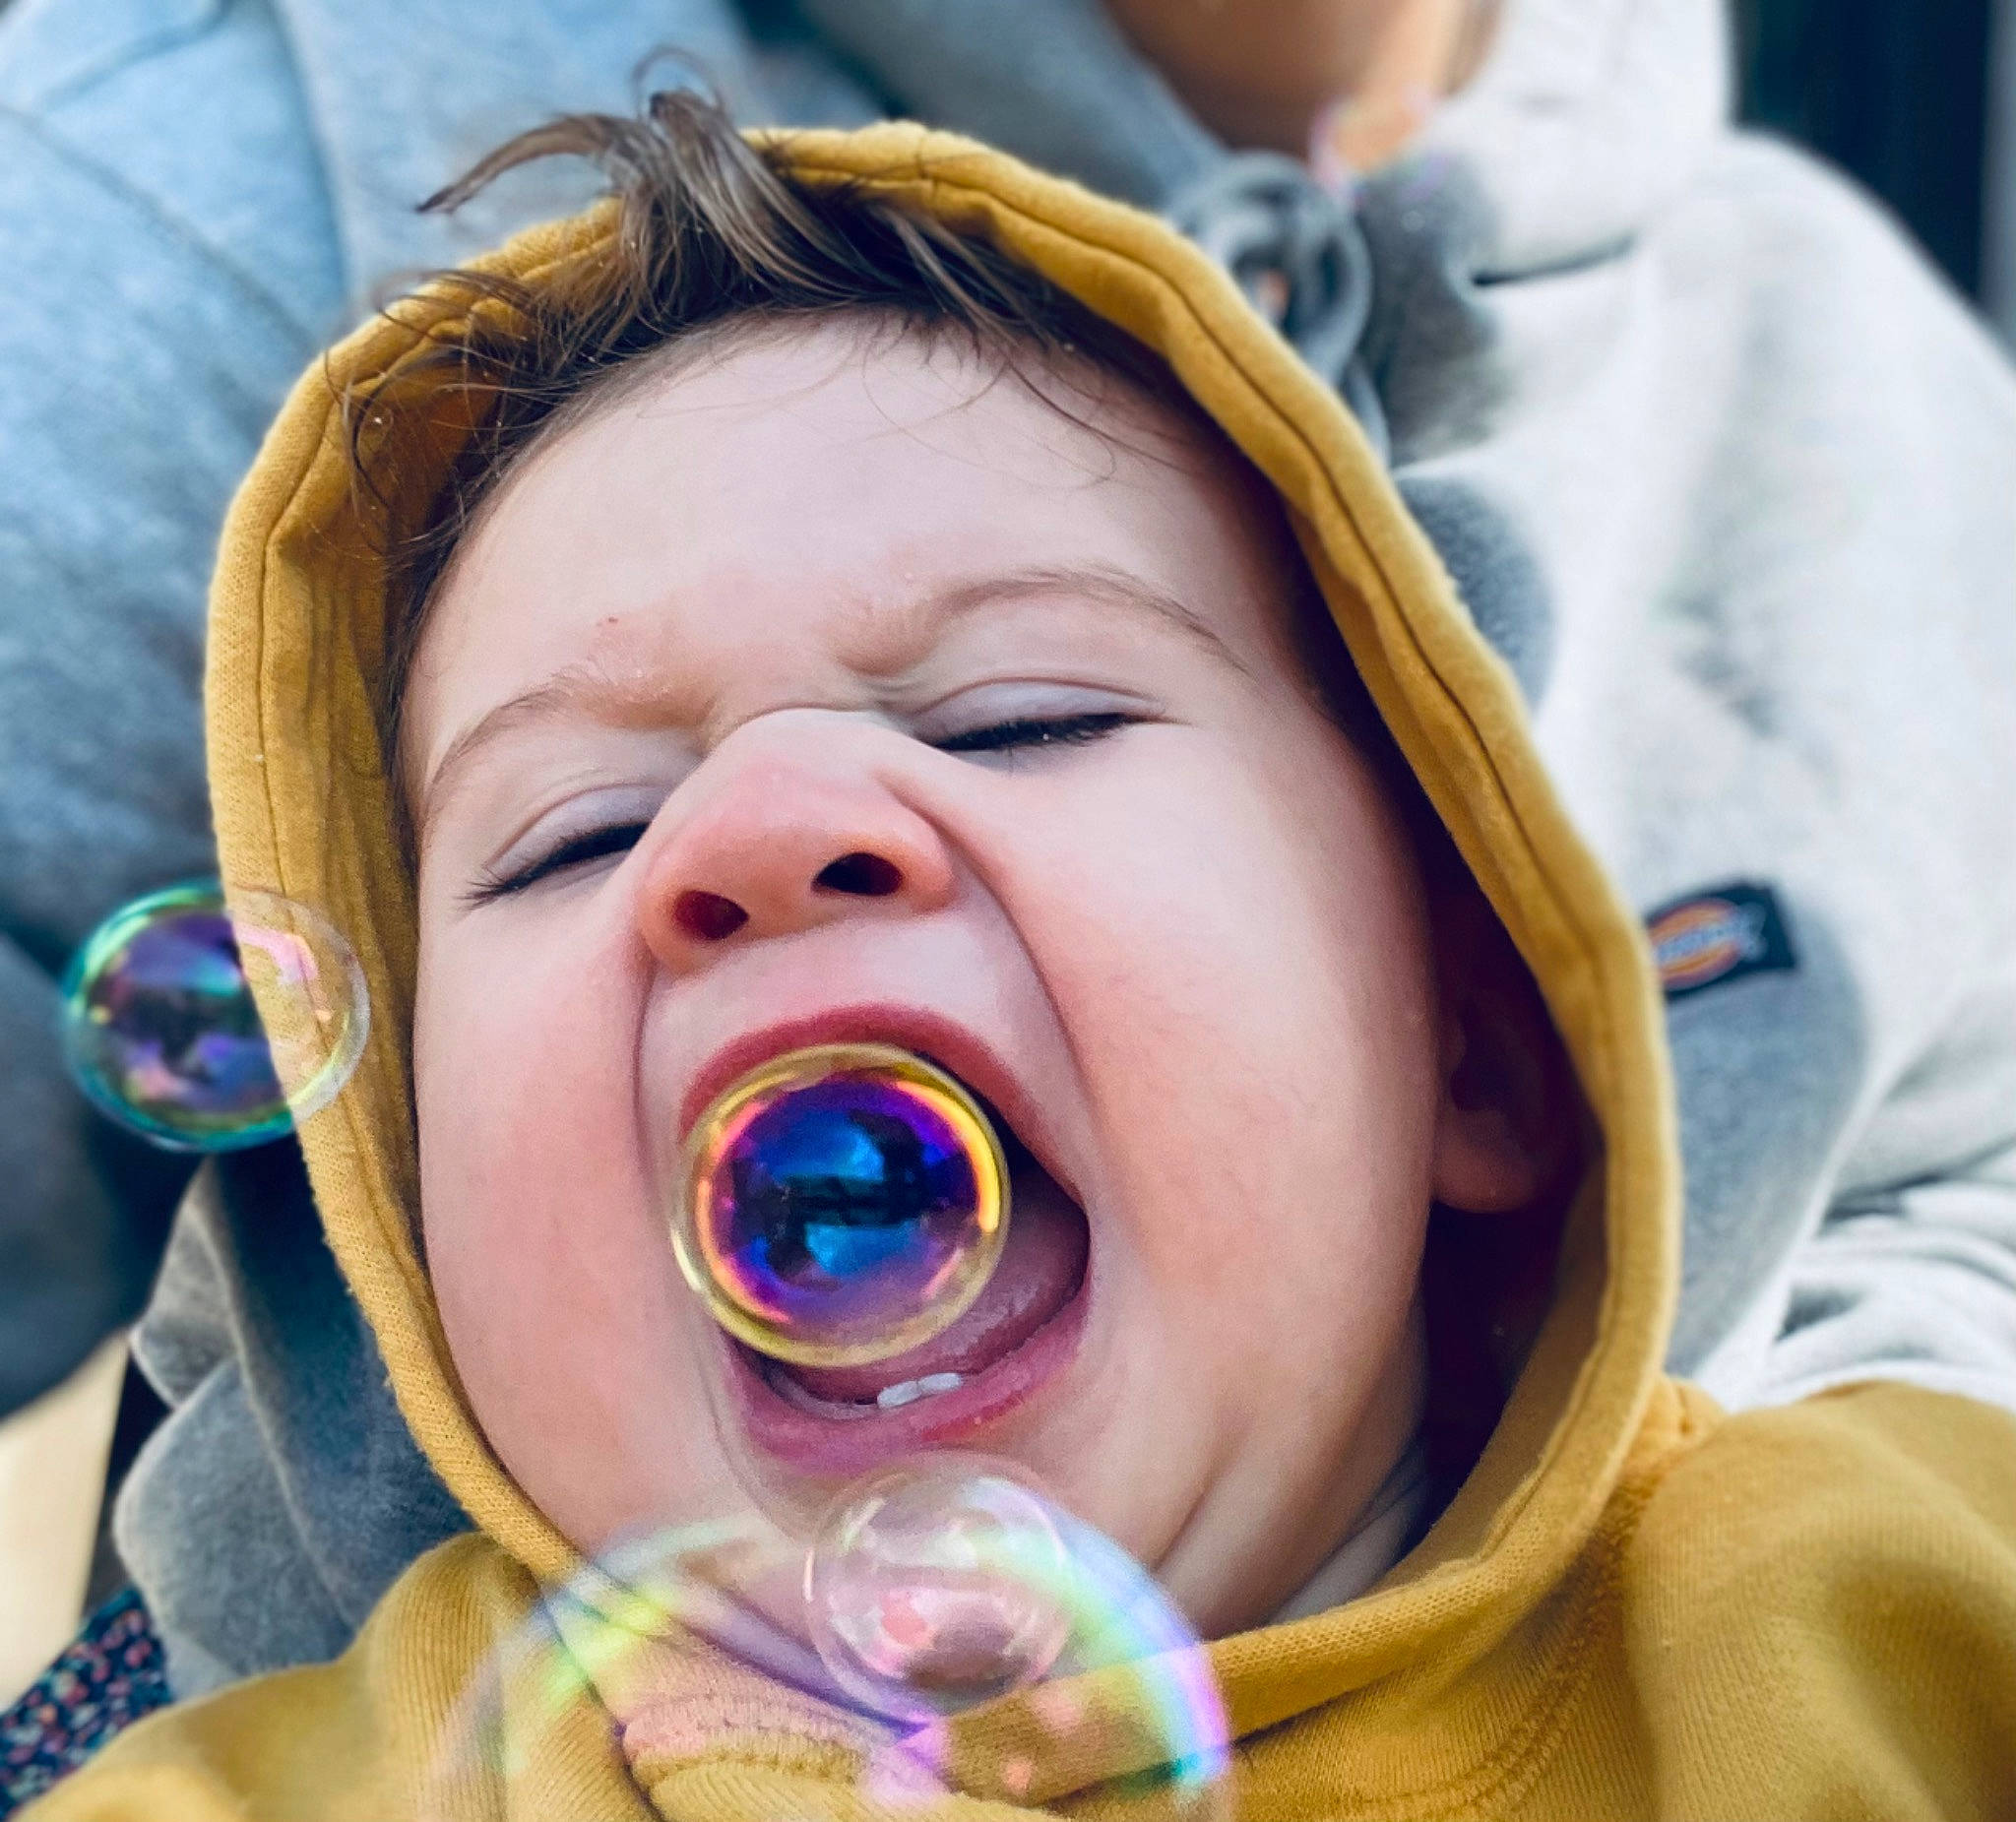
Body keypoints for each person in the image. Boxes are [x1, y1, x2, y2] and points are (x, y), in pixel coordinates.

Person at [3, 0, 2013, 1725]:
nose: (762, 833)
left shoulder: (1836, 1652)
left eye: (1021, 721)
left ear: (1497, 1059)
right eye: (579, 833)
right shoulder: (140, 208)